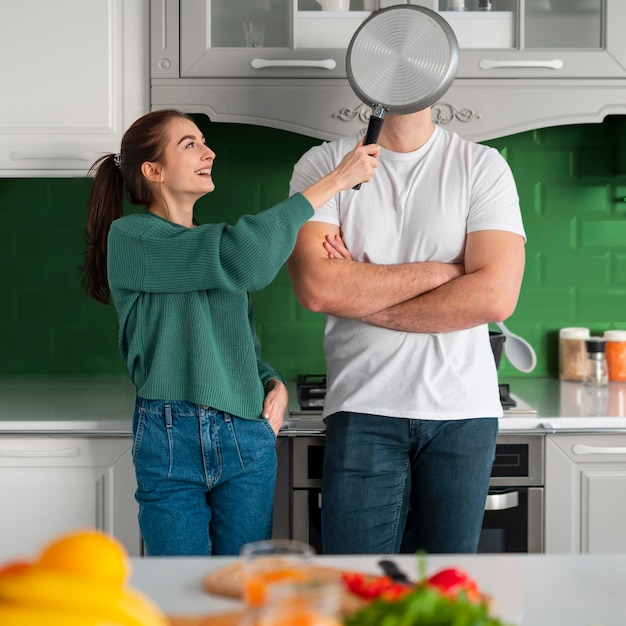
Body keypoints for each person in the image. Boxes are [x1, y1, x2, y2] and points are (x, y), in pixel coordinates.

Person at [81, 109, 379, 556]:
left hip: (245, 432)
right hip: (170, 435)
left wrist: (270, 380)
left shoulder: (209, 246)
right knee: (179, 593)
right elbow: (246, 258)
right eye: (190, 144)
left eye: (204, 141)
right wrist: (335, 180)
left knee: (243, 589)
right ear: (153, 170)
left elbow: (242, 344)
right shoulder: (133, 238)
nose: (209, 151)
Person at [287, 108, 526, 555]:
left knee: (447, 597)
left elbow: (494, 297)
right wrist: (444, 273)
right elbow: (318, 288)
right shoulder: (325, 165)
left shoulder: (481, 165)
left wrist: (362, 292)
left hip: (462, 413)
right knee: (356, 590)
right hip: (362, 406)